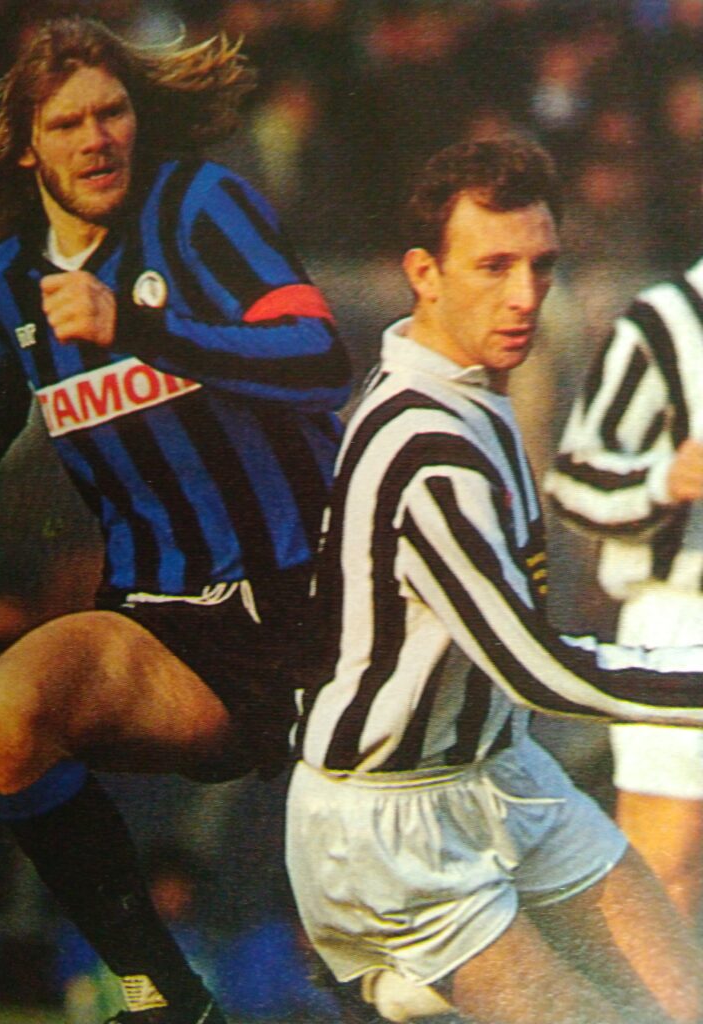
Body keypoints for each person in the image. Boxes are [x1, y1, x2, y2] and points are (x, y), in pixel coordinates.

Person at [0, 16, 350, 1024]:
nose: (96, 139)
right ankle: (162, 993)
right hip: (167, 630)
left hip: (316, 612)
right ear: (25, 146)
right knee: (0, 714)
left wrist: (139, 326)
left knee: (394, 932)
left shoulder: (202, 207)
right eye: (67, 123)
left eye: (112, 113)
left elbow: (318, 359)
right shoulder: (8, 283)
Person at [285, 135, 703, 1024]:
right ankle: (394, 972)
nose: (524, 296)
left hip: (505, 778)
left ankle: (408, 995)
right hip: (391, 822)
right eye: (493, 266)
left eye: (541, 265)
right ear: (423, 273)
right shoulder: (425, 446)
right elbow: (535, 669)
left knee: (683, 1003)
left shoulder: (476, 396)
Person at [544, 247, 703, 921]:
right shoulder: (667, 321)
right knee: (669, 867)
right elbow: (572, 479)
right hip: (682, 621)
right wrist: (664, 480)